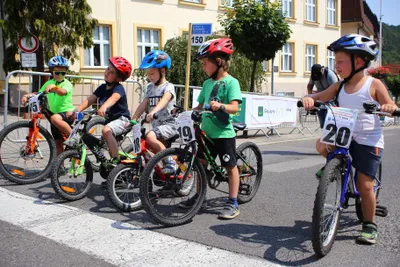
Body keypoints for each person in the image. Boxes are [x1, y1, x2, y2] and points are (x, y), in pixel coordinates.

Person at [301, 34, 398, 245]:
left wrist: (389, 107)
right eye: (335, 61)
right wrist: (309, 98)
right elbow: (320, 96)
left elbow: (390, 106)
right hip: (344, 132)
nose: (336, 66)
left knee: (364, 185)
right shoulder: (339, 85)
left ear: (359, 61)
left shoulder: (374, 85)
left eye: (340, 62)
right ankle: (333, 169)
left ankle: (369, 225)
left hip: (367, 138)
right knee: (321, 144)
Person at [180, 38, 242, 220]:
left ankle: (233, 202)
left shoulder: (232, 82)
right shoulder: (207, 84)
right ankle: (200, 196)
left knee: (230, 167)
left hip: (223, 134)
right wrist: (185, 112)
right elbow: (199, 107)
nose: (203, 67)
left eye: (205, 63)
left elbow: (234, 107)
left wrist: (220, 106)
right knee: (201, 164)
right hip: (206, 133)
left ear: (219, 62)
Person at [76, 56, 132, 166]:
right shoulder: (102, 88)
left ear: (118, 79)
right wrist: (76, 111)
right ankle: (114, 172)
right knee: (102, 141)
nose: (107, 73)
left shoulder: (118, 88)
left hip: (122, 121)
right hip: (110, 122)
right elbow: (90, 100)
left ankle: (115, 161)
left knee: (106, 131)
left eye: (111, 72)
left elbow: (113, 98)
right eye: (107, 69)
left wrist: (104, 106)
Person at [130, 50, 177, 173]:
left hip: (170, 125)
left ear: (162, 71)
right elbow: (143, 104)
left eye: (152, 73)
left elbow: (164, 100)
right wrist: (133, 119)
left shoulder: (168, 87)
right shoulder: (150, 87)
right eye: (148, 74)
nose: (149, 77)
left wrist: (153, 111)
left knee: (150, 136)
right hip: (157, 127)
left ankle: (171, 162)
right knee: (143, 142)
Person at [21, 56, 75, 155]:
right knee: (58, 143)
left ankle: (74, 137)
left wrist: (54, 88)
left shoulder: (67, 84)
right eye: (57, 72)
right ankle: (60, 168)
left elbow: (62, 92)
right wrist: (27, 96)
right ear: (52, 72)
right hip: (54, 115)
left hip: (67, 113)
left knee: (54, 119)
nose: (59, 75)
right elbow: (39, 93)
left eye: (63, 73)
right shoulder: (49, 83)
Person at [307, 64, 340, 128]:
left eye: (318, 76)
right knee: (322, 124)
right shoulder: (313, 74)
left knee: (329, 123)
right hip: (320, 101)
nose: (317, 79)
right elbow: (309, 86)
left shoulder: (329, 75)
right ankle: (323, 133)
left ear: (321, 71)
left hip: (331, 101)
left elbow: (336, 89)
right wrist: (310, 96)